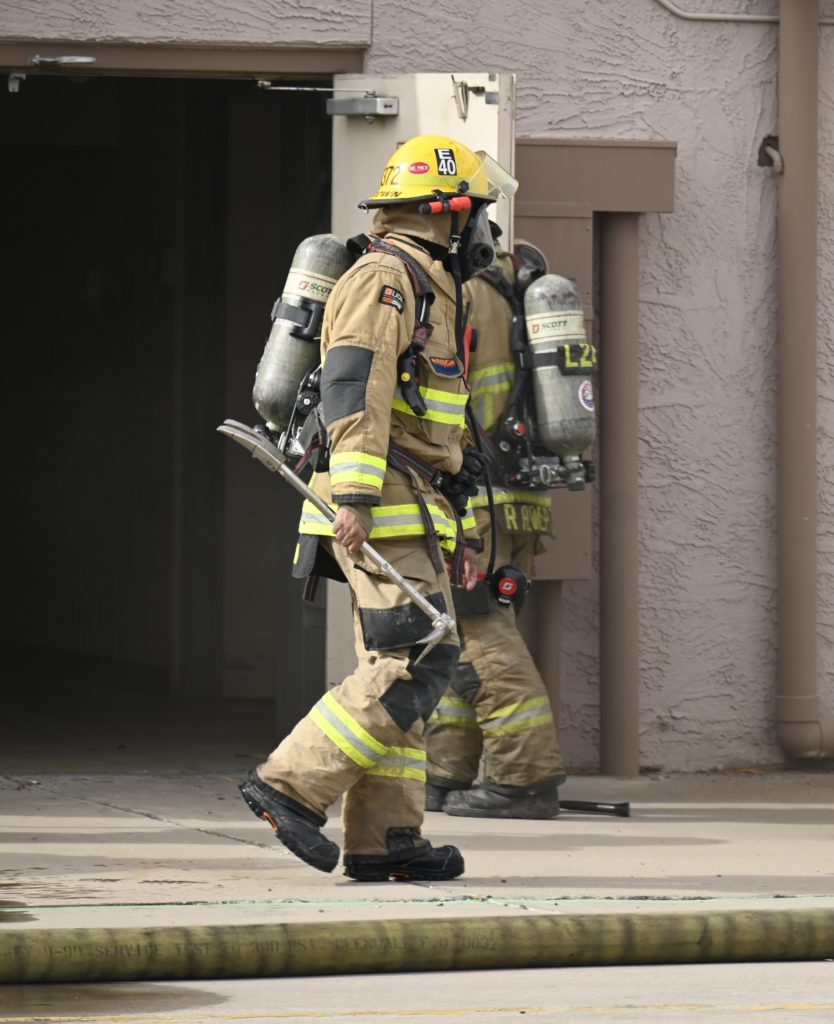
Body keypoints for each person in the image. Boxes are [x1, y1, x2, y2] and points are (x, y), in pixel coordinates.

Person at [239, 135, 518, 881]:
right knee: (419, 658)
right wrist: (358, 499)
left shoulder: (431, 282)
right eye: (476, 211)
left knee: (402, 665)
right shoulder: (386, 279)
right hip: (379, 502)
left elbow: (434, 424)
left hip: (413, 504)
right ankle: (288, 785)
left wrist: (460, 523)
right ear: (444, 212)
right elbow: (354, 389)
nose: (483, 228)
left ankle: (386, 839)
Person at [424, 225, 568, 819]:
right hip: (515, 498)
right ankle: (445, 771)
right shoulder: (510, 283)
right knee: (459, 637)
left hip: (475, 500)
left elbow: (434, 400)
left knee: (479, 637)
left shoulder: (453, 291)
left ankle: (525, 778)